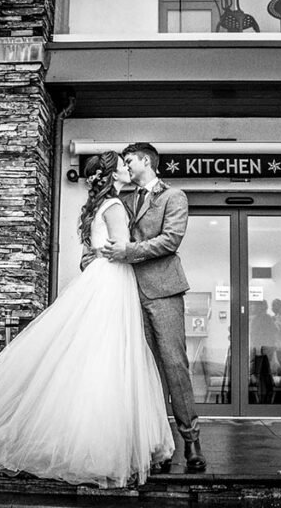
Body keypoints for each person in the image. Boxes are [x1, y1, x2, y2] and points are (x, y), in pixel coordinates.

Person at [0, 152, 174, 488]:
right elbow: (124, 248)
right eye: (121, 163)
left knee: (87, 359)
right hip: (112, 283)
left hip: (96, 279)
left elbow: (91, 251)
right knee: (107, 359)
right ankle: (96, 445)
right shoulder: (117, 206)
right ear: (110, 174)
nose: (125, 167)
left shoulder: (97, 207)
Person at [101, 142, 206, 472]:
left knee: (175, 364)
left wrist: (128, 252)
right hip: (129, 290)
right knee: (145, 370)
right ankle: (159, 443)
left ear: (146, 160)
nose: (127, 166)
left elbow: (171, 240)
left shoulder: (173, 196)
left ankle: (191, 441)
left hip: (164, 290)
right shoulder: (124, 198)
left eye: (130, 160)